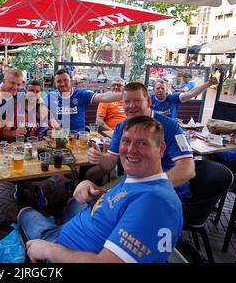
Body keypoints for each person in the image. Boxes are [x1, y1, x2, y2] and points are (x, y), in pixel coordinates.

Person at [18, 115, 183, 263]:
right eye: (126, 141)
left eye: (142, 143)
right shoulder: (140, 178)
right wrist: (92, 188)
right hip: (79, 230)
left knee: (24, 211)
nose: (131, 150)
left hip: (62, 249)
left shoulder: (155, 202)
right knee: (73, 203)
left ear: (161, 149)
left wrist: (48, 250)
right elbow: (123, 202)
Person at [87, 82, 195, 201]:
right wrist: (101, 159)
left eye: (137, 101)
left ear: (149, 102)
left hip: (168, 193)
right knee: (89, 194)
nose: (131, 106)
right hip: (133, 184)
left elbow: (188, 169)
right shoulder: (121, 127)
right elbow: (111, 162)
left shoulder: (171, 127)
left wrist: (148, 188)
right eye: (127, 101)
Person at [44, 69, 122, 132]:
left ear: (71, 81)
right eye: (59, 81)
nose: (63, 84)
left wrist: (125, 95)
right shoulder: (50, 96)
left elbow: (103, 96)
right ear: (55, 84)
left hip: (78, 137)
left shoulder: (81, 94)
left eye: (65, 80)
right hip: (58, 137)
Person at [150, 75, 218, 118]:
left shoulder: (173, 98)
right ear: (153, 90)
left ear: (166, 90)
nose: (160, 90)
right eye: (158, 88)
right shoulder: (149, 99)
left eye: (162, 89)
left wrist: (209, 83)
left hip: (170, 130)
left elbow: (191, 93)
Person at [0, 69, 26, 141]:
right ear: (4, 81)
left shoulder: (20, 95)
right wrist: (14, 133)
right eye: (12, 83)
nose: (15, 87)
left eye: (18, 84)